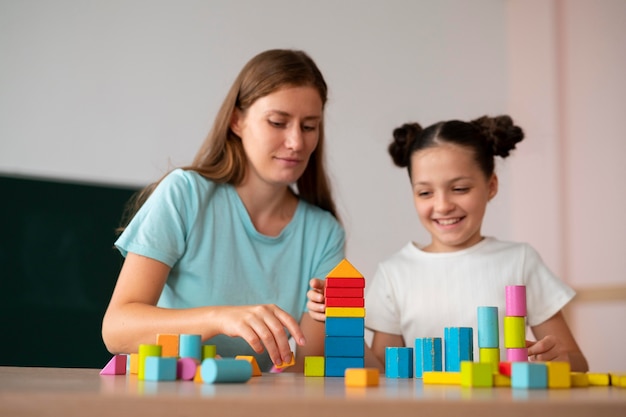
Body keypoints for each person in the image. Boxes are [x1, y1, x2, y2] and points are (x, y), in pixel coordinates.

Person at [101, 49, 345, 373]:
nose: (296, 142)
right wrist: (221, 318)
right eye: (277, 122)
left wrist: (337, 318)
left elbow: (304, 368)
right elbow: (117, 329)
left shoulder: (325, 233)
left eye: (309, 126)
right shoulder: (184, 194)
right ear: (236, 121)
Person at [307, 115, 588, 372]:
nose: (442, 205)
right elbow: (383, 371)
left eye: (460, 189)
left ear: (491, 186)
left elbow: (577, 361)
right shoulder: (394, 274)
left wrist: (556, 360)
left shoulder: (521, 261)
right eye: (425, 192)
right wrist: (342, 322)